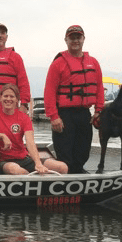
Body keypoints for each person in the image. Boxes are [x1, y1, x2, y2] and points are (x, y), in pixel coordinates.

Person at [43, 25, 105, 174]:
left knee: (83, 150)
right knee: (65, 152)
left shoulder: (94, 63)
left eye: (78, 37)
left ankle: (78, 173)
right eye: (72, 37)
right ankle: (66, 177)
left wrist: (99, 111)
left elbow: (99, 89)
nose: (75, 40)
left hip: (84, 114)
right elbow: (49, 92)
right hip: (64, 115)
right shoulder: (58, 63)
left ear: (83, 39)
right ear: (66, 40)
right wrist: (53, 117)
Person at [0, 84, 67, 175]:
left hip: (23, 158)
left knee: (62, 167)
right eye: (5, 96)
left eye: (12, 97)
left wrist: (38, 163)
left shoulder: (24, 118)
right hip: (4, 161)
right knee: (15, 170)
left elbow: (30, 141)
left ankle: (38, 181)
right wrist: (1, 135)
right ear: (0, 98)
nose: (8, 99)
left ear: (17, 99)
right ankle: (33, 181)